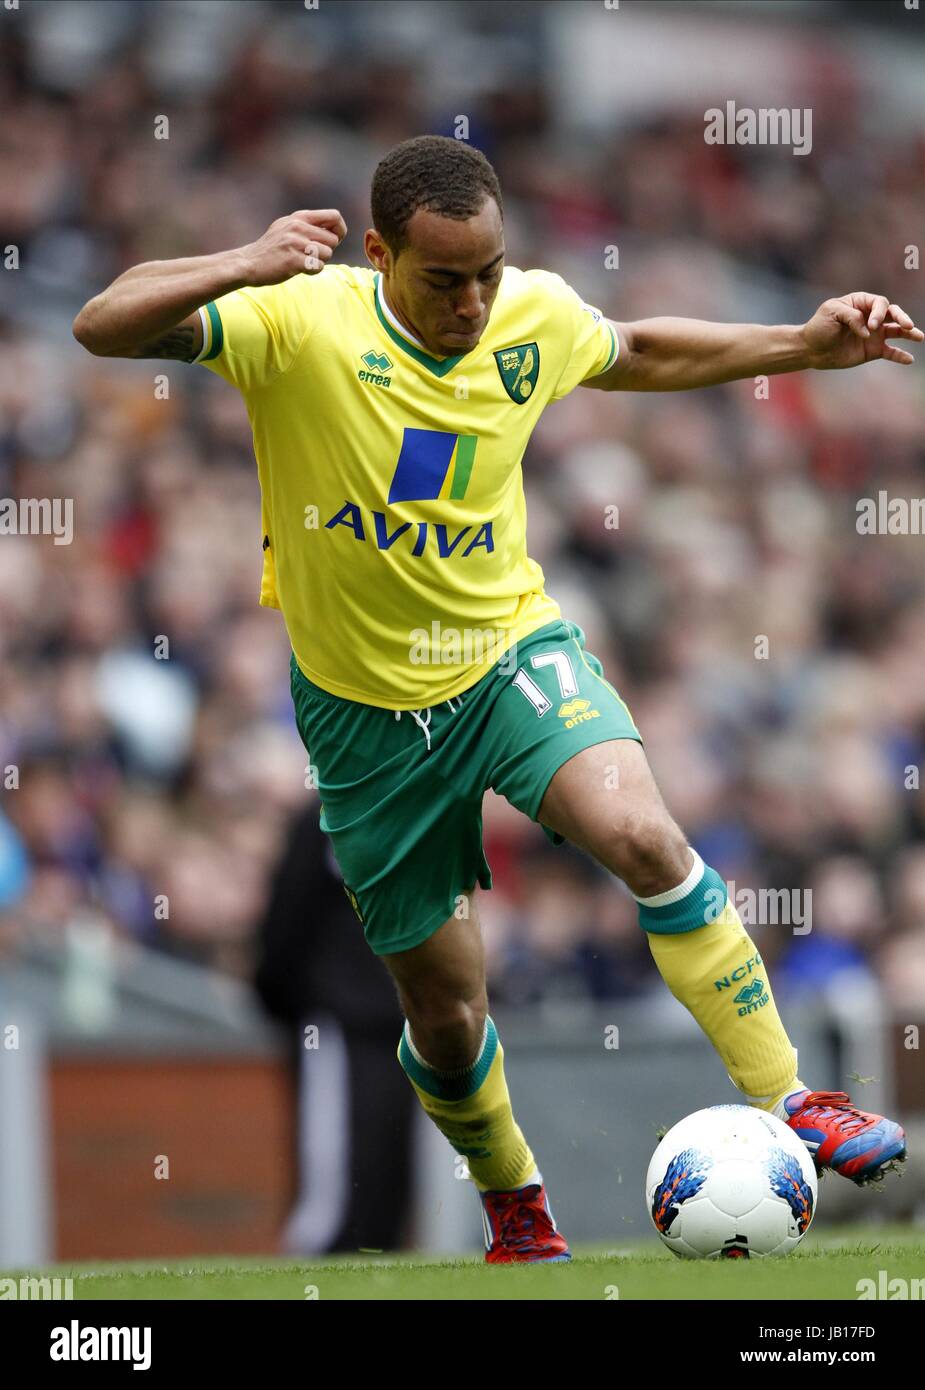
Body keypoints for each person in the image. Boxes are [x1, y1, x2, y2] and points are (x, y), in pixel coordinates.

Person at [73, 134, 916, 1263]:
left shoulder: (527, 312)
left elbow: (636, 351)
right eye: (442, 280)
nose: (474, 303)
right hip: (363, 717)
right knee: (446, 1008)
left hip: (505, 648)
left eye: (488, 273)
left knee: (642, 831)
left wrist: (803, 345)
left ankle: (794, 1098)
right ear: (375, 255)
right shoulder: (297, 318)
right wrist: (243, 257)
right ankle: (514, 1201)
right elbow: (103, 321)